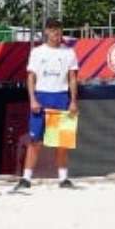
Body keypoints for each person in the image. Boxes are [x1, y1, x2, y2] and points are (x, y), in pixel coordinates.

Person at [16, 18, 79, 189]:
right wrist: (32, 99)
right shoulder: (37, 52)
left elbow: (72, 78)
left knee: (61, 141)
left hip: (61, 96)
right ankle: (26, 178)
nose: (55, 33)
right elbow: (31, 77)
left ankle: (63, 178)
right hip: (42, 96)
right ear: (46, 32)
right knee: (35, 140)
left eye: (58, 29)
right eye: (51, 30)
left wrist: (73, 101)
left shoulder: (69, 52)